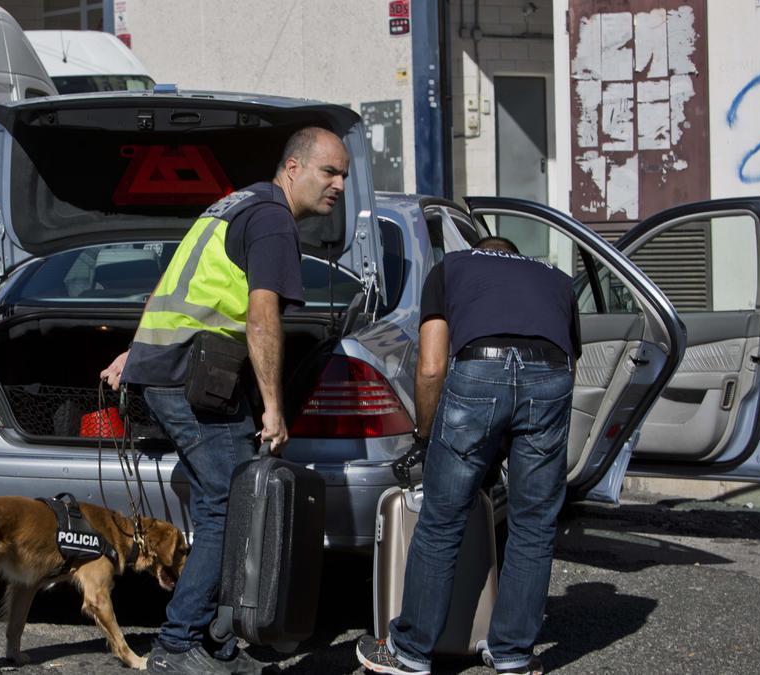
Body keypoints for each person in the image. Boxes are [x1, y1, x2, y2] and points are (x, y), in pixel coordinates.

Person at [100, 127, 349, 674]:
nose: (338, 186)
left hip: (174, 368)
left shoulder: (234, 205)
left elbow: (171, 284)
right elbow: (262, 316)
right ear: (293, 168)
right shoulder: (272, 219)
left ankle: (214, 641)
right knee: (229, 506)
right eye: (328, 172)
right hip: (192, 375)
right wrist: (274, 406)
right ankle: (177, 643)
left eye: (344, 176)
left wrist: (136, 353)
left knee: (232, 502)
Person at [356, 236, 581, 675]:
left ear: (482, 251)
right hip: (550, 375)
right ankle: (514, 654)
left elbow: (432, 366)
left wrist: (426, 436)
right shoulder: (556, 278)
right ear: (515, 259)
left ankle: (410, 651)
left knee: (442, 517)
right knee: (534, 524)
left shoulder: (452, 268)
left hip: (480, 370)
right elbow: (572, 362)